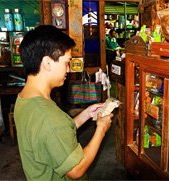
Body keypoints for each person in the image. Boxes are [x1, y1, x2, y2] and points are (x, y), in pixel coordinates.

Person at [14, 25, 114, 180]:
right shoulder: (47, 116)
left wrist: (85, 115)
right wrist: (101, 129)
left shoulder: (25, 99)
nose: (68, 70)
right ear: (47, 63)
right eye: (66, 62)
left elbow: (53, 137)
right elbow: (76, 169)